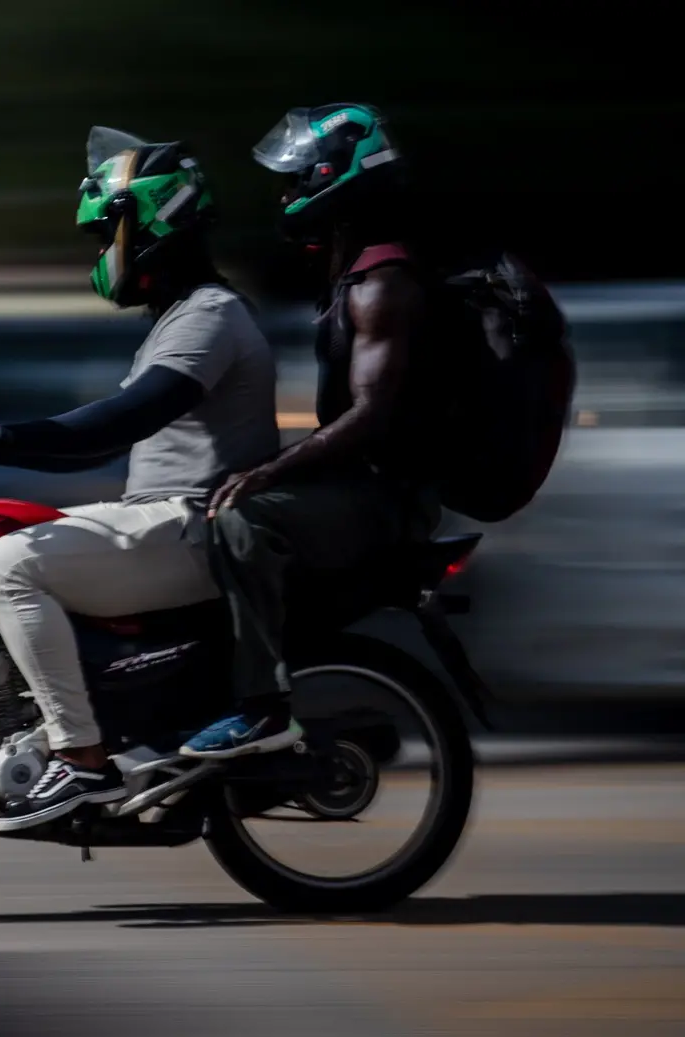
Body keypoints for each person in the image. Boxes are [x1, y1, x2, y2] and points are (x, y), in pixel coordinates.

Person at [0, 126, 280, 831]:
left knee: (12, 565)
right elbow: (90, 449)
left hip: (192, 526)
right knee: (2, 530)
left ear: (149, 221)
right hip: (166, 520)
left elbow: (117, 422)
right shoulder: (180, 318)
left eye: (104, 232)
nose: (99, 252)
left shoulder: (210, 315)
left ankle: (80, 759)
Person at [179, 102, 448, 760]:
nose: (284, 192)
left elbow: (370, 415)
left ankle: (261, 709)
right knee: (196, 509)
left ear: (335, 177)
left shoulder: (383, 284)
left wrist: (270, 470)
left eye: (296, 178)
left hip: (385, 500)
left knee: (242, 522)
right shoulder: (353, 274)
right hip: (358, 485)